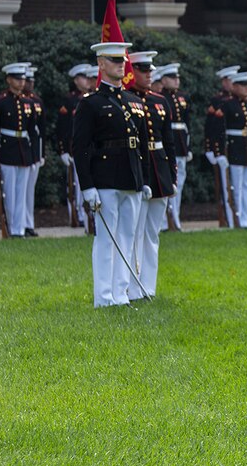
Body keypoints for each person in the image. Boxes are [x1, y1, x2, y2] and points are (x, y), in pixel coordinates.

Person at [72, 41, 152, 307]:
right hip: (105, 178)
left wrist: (146, 180)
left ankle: (121, 294)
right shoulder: (91, 104)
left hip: (131, 177)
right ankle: (104, 297)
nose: (121, 65)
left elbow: (141, 145)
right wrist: (87, 187)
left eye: (122, 60)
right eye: (115, 60)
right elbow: (80, 149)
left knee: (128, 238)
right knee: (107, 239)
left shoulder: (134, 101)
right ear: (101, 64)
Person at [127, 50, 176, 299]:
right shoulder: (125, 100)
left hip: (160, 172)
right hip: (139, 171)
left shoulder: (160, 101)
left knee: (152, 234)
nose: (148, 74)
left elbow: (169, 142)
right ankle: (134, 288)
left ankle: (149, 286)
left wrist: (172, 176)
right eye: (143, 70)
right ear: (131, 72)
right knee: (135, 233)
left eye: (149, 70)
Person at [0, 62, 35, 238]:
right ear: (8, 80)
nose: (21, 82)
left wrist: (35, 156)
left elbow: (33, 131)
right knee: (10, 192)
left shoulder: (28, 102)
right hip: (7, 150)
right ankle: (11, 227)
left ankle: (19, 229)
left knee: (22, 193)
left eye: (22, 79)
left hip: (24, 151)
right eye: (17, 79)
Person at [206, 70, 247, 228]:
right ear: (234, 86)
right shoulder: (227, 105)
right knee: (234, 186)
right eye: (243, 85)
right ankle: (233, 218)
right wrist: (219, 153)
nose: (246, 88)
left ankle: (245, 219)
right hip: (233, 149)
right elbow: (218, 131)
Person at [58, 63, 97, 229]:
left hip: (93, 148)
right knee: (77, 185)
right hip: (77, 149)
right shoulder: (71, 100)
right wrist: (64, 150)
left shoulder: (91, 99)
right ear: (76, 80)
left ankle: (89, 214)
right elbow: (64, 128)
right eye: (84, 77)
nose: (86, 81)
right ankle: (78, 214)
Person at [157, 62, 191, 230]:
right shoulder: (161, 98)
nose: (176, 80)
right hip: (168, 144)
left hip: (181, 144)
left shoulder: (181, 97)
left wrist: (188, 146)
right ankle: (167, 220)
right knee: (169, 182)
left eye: (177, 77)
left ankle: (175, 217)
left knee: (180, 183)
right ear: (163, 80)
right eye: (172, 77)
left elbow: (187, 124)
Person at [205, 65, 240, 227]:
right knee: (225, 185)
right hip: (223, 147)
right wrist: (212, 149)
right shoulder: (217, 101)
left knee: (238, 184)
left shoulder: (239, 101)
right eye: (230, 80)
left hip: (235, 147)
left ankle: (238, 217)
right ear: (224, 82)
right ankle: (227, 217)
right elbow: (211, 128)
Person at [22, 66, 45, 237]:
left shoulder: (36, 101)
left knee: (29, 191)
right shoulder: (21, 102)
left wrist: (41, 153)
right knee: (21, 191)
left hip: (33, 152)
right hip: (22, 151)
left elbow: (41, 131)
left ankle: (28, 223)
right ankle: (20, 224)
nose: (29, 84)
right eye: (27, 81)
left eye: (31, 81)